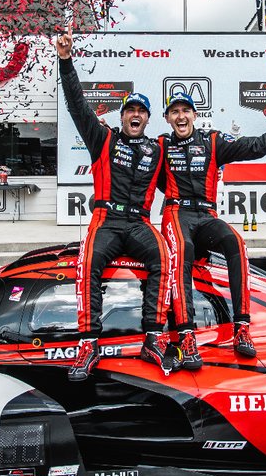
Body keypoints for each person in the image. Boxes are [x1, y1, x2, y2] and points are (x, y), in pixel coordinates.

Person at [55, 27, 192, 381]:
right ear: (122, 116)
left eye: (141, 112)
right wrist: (66, 61)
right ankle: (88, 343)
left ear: (147, 119)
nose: (135, 115)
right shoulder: (101, 138)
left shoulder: (158, 148)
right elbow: (77, 105)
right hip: (106, 220)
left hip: (140, 223)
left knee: (165, 258)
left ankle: (152, 338)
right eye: (130, 110)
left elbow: (189, 168)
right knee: (87, 264)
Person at [159, 90, 266, 358]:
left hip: (207, 216)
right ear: (167, 118)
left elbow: (257, 146)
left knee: (236, 242)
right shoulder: (161, 145)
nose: (181, 116)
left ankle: (242, 327)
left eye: (186, 110)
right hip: (177, 213)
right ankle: (186, 335)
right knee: (183, 248)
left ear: (195, 115)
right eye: (174, 112)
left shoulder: (213, 141)